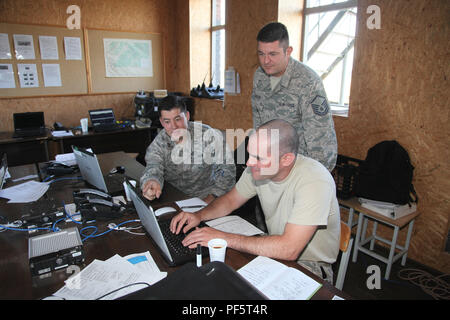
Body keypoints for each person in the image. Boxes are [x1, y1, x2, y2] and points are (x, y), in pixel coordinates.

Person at [170, 119, 340, 283]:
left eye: (258, 158)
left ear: (286, 159)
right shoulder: (259, 169)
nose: (249, 163)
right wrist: (199, 216)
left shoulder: (314, 180)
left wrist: (223, 237)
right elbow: (230, 200)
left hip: (309, 265)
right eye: (250, 154)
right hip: (275, 248)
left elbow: (289, 249)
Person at [252, 22, 338, 171]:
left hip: (299, 168)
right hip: (270, 164)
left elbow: (321, 139)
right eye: (261, 54)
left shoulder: (308, 82)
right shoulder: (259, 76)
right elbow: (258, 120)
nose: (266, 61)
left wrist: (315, 177)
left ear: (288, 51)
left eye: (273, 54)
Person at [140, 95, 236, 204]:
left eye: (177, 119)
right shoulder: (159, 143)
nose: (174, 126)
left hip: (207, 196)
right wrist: (152, 181)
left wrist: (212, 197)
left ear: (187, 116)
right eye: (167, 122)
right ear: (162, 122)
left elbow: (227, 169)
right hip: (174, 198)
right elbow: (153, 167)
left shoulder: (207, 134)